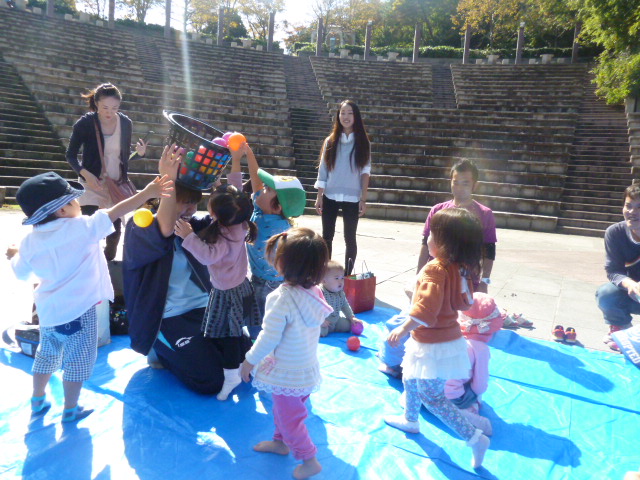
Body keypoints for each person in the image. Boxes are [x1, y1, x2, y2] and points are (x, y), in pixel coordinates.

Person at [7, 171, 172, 422]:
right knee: (78, 361)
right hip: (80, 313)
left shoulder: (30, 241)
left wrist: (15, 254)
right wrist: (148, 193)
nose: (79, 204)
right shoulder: (83, 227)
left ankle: (37, 399)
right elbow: (116, 211)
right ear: (62, 210)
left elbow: (21, 273)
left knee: (46, 355)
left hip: (49, 313)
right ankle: (70, 408)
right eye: (74, 200)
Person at [123, 145, 247, 395]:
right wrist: (168, 179)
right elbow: (165, 229)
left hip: (205, 307)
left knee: (245, 359)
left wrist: (229, 175)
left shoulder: (194, 225)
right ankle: (161, 349)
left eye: (194, 202)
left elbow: (231, 217)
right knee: (211, 381)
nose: (191, 209)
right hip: (168, 317)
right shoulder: (140, 226)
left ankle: (191, 351)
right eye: (185, 202)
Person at [384, 208, 490, 469]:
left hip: (432, 344)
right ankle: (411, 419)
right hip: (444, 341)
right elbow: (464, 303)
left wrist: (403, 328)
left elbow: (425, 311)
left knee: (433, 398)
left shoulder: (435, 269)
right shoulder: (459, 268)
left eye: (431, 234)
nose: (427, 238)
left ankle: (474, 438)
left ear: (444, 242)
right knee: (410, 376)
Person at [241, 228, 332, 480]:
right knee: (285, 412)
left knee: (291, 420)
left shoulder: (281, 298)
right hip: (305, 370)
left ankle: (309, 460)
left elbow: (269, 336)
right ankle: (280, 442)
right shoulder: (315, 291)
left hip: (286, 373)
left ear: (283, 263)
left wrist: (249, 360)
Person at [175, 146, 260, 401]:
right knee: (236, 330)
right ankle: (249, 362)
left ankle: (231, 374)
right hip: (241, 287)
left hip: (227, 294)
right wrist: (235, 160)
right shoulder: (240, 220)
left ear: (215, 214)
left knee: (229, 337)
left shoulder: (222, 235)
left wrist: (188, 236)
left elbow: (207, 256)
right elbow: (237, 190)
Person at [66, 83, 148, 261]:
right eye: (105, 107)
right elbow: (70, 155)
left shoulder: (125, 123)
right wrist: (85, 174)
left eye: (115, 108)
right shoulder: (85, 123)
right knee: (89, 227)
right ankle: (85, 262)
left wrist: (139, 154)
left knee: (114, 233)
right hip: (91, 183)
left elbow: (122, 157)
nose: (110, 112)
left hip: (115, 183)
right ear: (96, 103)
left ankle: (106, 263)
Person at [240, 142, 306, 337]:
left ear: (277, 207)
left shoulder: (273, 228)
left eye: (267, 189)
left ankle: (262, 349)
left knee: (262, 324)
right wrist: (248, 153)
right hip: (265, 279)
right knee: (268, 322)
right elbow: (256, 179)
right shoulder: (265, 210)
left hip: (267, 284)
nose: (261, 189)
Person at [416, 159, 496, 293]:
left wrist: (484, 282)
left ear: (475, 185)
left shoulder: (485, 214)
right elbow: (425, 244)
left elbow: (489, 250)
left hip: (467, 281)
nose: (459, 188)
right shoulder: (437, 211)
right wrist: (418, 276)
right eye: (455, 182)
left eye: (465, 183)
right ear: (450, 182)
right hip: (436, 277)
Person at [314, 99, 371, 275]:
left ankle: (347, 276)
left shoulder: (363, 142)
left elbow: (365, 172)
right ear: (338, 116)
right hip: (330, 195)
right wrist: (319, 196)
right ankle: (326, 273)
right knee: (327, 237)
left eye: (350, 113)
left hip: (352, 197)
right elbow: (323, 169)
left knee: (350, 238)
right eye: (342, 113)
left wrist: (363, 199)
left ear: (356, 117)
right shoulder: (330, 141)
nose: (346, 117)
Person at [444, 292, 505, 436]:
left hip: (428, 384)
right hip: (452, 394)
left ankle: (423, 401)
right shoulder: (480, 349)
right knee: (470, 397)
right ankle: (464, 414)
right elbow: (480, 385)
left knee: (430, 396)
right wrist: (476, 396)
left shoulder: (448, 333)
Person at [596, 184, 640, 351]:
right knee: (606, 294)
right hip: (632, 294)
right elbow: (613, 271)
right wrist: (631, 285)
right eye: (628, 206)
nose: (632, 212)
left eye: (639, 207)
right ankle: (621, 329)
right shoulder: (615, 233)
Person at [320, 260, 362, 337]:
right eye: (336, 278)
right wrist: (320, 321)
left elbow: (345, 306)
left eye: (342, 278)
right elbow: (313, 309)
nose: (341, 281)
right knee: (321, 332)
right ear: (324, 281)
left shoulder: (340, 293)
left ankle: (337, 327)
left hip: (336, 320)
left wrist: (351, 318)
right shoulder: (320, 292)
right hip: (324, 321)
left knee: (349, 325)